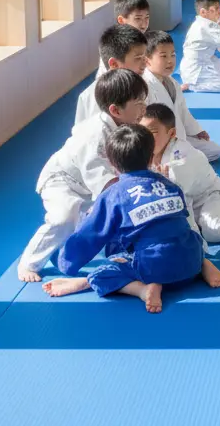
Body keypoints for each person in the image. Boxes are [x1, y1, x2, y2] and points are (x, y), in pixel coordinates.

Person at [42, 124, 220, 312]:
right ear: (151, 155)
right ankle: (203, 263)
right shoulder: (169, 184)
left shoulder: (114, 194)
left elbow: (89, 236)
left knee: (106, 271)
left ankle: (141, 289)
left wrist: (64, 261)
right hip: (191, 258)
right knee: (171, 236)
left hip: (154, 267)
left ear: (112, 163)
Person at [17, 69, 149, 282]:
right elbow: (105, 184)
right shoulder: (94, 136)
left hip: (89, 185)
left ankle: (118, 249)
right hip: (61, 180)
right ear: (115, 110)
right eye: (138, 103)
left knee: (108, 215)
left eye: (143, 100)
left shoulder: (125, 124)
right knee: (65, 217)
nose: (144, 107)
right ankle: (29, 262)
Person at [142, 104, 220, 243]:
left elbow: (181, 201)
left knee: (213, 230)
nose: (146, 138)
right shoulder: (143, 151)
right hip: (179, 201)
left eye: (153, 132)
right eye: (143, 131)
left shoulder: (182, 159)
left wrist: (194, 244)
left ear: (171, 133)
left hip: (207, 196)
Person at [143, 30, 220, 162]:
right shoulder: (144, 86)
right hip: (158, 144)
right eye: (163, 56)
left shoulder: (172, 82)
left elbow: (183, 111)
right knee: (187, 162)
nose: (170, 61)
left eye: (173, 55)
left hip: (178, 137)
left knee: (214, 150)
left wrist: (197, 131)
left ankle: (185, 158)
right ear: (147, 60)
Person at [75, 24, 147, 127]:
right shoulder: (91, 98)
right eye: (138, 58)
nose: (144, 64)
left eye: (144, 57)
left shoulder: (143, 83)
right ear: (114, 64)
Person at [95, 0, 151, 78]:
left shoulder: (143, 39)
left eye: (147, 17)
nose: (144, 24)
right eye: (138, 18)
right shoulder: (115, 43)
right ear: (121, 20)